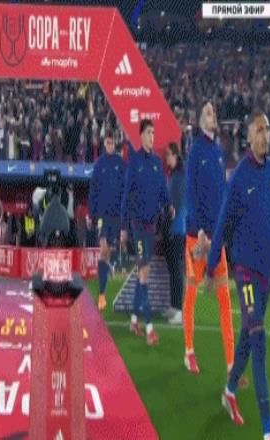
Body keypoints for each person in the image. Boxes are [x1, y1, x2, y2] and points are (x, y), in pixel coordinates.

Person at [208, 111, 270, 440]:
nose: (265, 134)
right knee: (258, 337)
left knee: (247, 335)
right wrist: (212, 263)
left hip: (265, 272)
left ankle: (229, 391)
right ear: (248, 136)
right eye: (259, 129)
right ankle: (268, 429)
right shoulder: (240, 176)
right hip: (243, 271)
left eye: (268, 129)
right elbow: (223, 222)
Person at [183, 101, 235, 376]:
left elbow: (223, 194)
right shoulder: (195, 151)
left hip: (216, 238)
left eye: (213, 111)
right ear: (200, 120)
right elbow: (190, 193)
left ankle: (231, 365)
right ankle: (189, 352)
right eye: (207, 112)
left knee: (225, 299)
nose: (212, 115)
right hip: (197, 237)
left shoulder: (217, 151)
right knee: (192, 294)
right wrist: (201, 229)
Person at [120, 120, 173, 346]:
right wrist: (124, 228)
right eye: (149, 132)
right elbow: (126, 195)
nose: (152, 136)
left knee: (143, 274)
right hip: (137, 226)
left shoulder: (156, 163)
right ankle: (149, 327)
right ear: (141, 136)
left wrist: (169, 204)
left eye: (154, 132)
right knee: (144, 273)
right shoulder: (134, 161)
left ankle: (134, 320)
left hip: (152, 226)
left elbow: (162, 191)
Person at [87, 129, 126, 311]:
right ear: (104, 144)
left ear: (115, 143)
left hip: (115, 215)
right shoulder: (99, 164)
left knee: (107, 252)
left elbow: (125, 189)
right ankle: (101, 295)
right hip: (102, 215)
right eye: (108, 143)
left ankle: (103, 281)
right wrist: (91, 213)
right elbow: (93, 190)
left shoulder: (120, 163)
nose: (110, 145)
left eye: (112, 143)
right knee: (103, 249)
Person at [162, 142, 186, 325]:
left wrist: (167, 221)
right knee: (172, 269)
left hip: (177, 229)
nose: (166, 158)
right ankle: (173, 305)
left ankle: (179, 309)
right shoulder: (173, 175)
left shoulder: (179, 176)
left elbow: (175, 206)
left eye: (168, 155)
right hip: (173, 228)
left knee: (176, 270)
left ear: (176, 155)